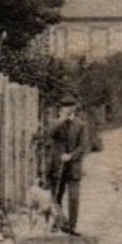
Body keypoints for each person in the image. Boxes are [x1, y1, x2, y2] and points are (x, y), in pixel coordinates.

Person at [47, 96, 91, 235]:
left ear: (75, 108)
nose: (68, 109)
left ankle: (72, 226)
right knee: (56, 196)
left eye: (70, 106)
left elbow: (83, 147)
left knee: (74, 197)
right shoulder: (56, 123)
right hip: (58, 166)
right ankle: (57, 222)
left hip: (74, 167)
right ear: (61, 108)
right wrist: (61, 120)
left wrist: (71, 156)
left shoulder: (81, 125)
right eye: (65, 106)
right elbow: (49, 134)